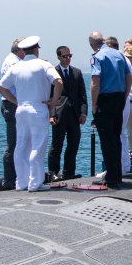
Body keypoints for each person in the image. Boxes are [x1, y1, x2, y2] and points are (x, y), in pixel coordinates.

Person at [0, 37, 62, 192]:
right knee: (37, 146)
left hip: (21, 109)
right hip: (38, 108)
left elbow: (1, 87)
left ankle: (21, 182)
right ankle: (35, 182)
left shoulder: (16, 67)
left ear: (23, 51)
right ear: (37, 49)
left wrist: (16, 101)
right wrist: (53, 101)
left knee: (21, 146)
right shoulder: (43, 64)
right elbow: (58, 81)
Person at [88, 32, 131, 187]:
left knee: (106, 139)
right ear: (104, 41)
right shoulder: (119, 54)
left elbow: (95, 82)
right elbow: (129, 78)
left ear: (91, 45)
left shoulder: (98, 57)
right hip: (119, 97)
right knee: (116, 136)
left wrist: (94, 105)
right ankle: (117, 173)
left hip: (105, 99)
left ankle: (111, 177)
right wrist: (124, 96)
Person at [48, 44, 88, 180]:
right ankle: (53, 173)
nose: (68, 58)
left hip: (74, 113)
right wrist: (51, 114)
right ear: (58, 57)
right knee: (56, 144)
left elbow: (82, 95)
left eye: (69, 56)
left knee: (73, 143)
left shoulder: (77, 72)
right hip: (59, 113)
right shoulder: (52, 72)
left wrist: (83, 113)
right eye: (65, 56)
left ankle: (69, 172)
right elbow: (50, 94)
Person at [0, 38, 21, 188]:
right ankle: (9, 179)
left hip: (11, 104)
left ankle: (14, 177)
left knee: (17, 143)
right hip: (12, 105)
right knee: (13, 144)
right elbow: (3, 87)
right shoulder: (14, 62)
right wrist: (15, 101)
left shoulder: (12, 60)